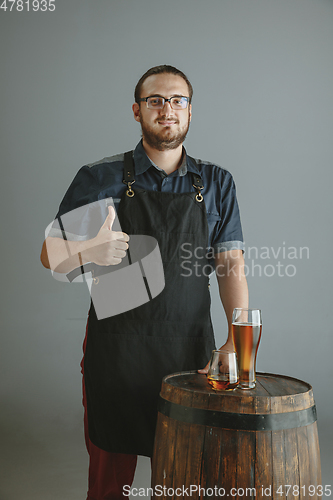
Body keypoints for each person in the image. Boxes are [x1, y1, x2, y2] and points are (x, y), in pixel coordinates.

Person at [40, 65, 248, 500]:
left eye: (177, 101)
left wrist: (235, 339)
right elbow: (50, 256)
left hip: (190, 347)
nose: (167, 109)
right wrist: (89, 252)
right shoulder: (100, 177)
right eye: (155, 100)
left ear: (191, 112)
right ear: (137, 111)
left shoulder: (215, 183)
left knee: (183, 471)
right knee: (108, 475)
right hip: (116, 345)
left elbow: (230, 264)